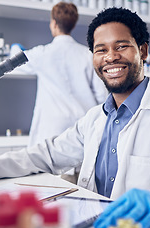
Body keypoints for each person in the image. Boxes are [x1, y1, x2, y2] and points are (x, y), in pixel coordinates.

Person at [0, 7, 150, 228]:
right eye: (101, 50)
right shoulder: (95, 118)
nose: (111, 57)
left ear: (143, 51)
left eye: (121, 46)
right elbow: (47, 154)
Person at [12, 2, 107, 147]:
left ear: (54, 23)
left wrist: (15, 48)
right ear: (73, 25)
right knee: (83, 168)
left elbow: (14, 62)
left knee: (52, 167)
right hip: (83, 125)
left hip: (52, 128)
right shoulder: (88, 55)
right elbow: (101, 94)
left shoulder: (42, 53)